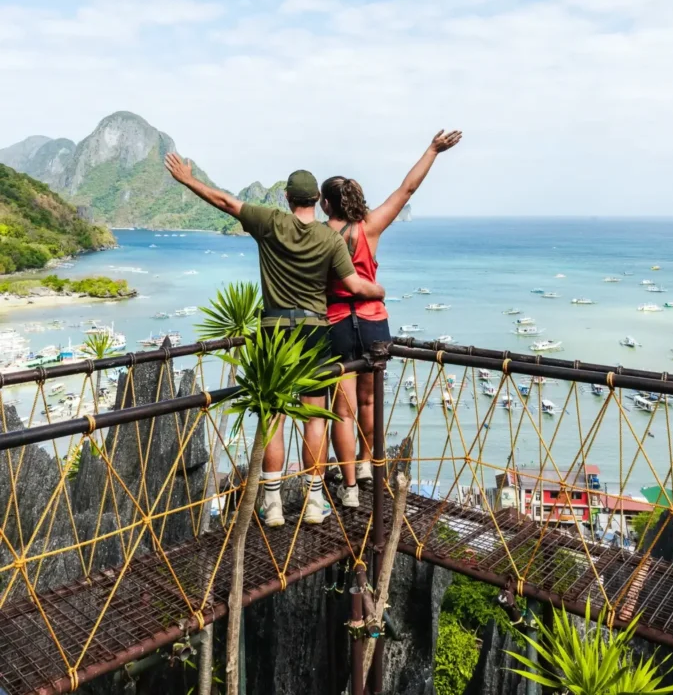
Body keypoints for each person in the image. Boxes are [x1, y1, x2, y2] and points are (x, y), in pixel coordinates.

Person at [164, 153, 385, 526]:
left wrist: (188, 179)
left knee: (273, 417)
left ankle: (273, 505)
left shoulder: (269, 222)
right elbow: (353, 285)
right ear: (317, 200)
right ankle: (314, 502)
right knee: (314, 417)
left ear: (286, 197)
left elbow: (225, 202)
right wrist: (377, 291)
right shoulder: (330, 238)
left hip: (274, 331)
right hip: (314, 332)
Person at [321, 129, 462, 508]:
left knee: (342, 411)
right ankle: (367, 464)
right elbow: (407, 189)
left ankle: (350, 487)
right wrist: (433, 150)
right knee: (370, 402)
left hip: (335, 322)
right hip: (373, 323)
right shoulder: (370, 226)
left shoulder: (319, 236)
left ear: (325, 203)